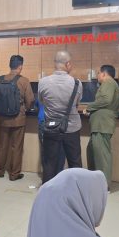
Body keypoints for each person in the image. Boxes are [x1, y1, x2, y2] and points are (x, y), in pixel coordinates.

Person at [38, 51, 83, 183]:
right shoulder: (76, 83)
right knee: (75, 163)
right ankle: (76, 190)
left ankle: (48, 190)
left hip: (51, 128)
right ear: (67, 64)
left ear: (55, 63)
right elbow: (77, 103)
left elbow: (42, 101)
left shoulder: (43, 82)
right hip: (72, 129)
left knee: (49, 163)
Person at [0, 55, 35, 181]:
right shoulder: (24, 81)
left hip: (3, 118)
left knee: (2, 145)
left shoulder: (0, 79)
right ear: (20, 66)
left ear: (10, 66)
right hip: (18, 118)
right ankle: (14, 174)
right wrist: (26, 108)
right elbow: (30, 100)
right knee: (16, 147)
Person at [84, 65, 119, 189]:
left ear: (104, 74)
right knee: (93, 152)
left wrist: (89, 107)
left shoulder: (108, 83)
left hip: (102, 125)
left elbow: (106, 100)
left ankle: (104, 186)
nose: (97, 75)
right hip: (99, 125)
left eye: (98, 73)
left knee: (102, 156)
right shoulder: (109, 84)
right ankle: (95, 182)